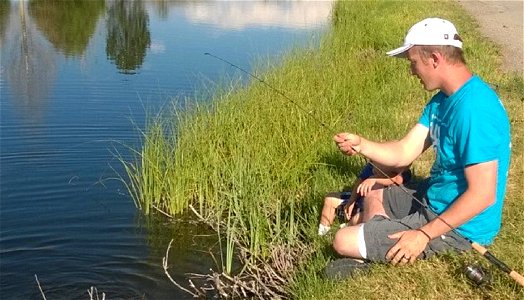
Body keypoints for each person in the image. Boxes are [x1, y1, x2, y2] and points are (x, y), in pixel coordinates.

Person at [330, 18, 511, 269]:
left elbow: (483, 195)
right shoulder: (441, 101)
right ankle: (380, 239)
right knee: (372, 189)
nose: (411, 71)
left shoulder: (475, 109)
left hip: (461, 227)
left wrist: (424, 234)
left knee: (342, 240)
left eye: (413, 62)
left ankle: (378, 242)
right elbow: (404, 152)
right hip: (435, 198)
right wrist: (362, 145)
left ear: (435, 58)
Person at [318, 162, 412, 236]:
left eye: (378, 165)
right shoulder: (371, 166)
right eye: (373, 163)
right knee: (330, 199)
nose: (374, 168)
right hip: (360, 200)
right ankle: (323, 233)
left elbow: (397, 180)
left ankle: (343, 231)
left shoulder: (400, 172)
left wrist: (375, 180)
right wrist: (352, 200)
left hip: (374, 210)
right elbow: (360, 181)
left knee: (358, 219)